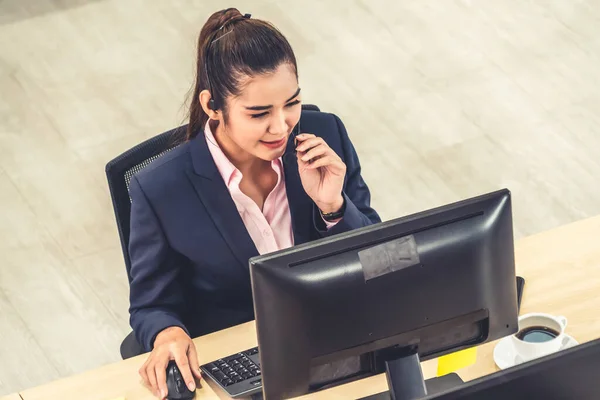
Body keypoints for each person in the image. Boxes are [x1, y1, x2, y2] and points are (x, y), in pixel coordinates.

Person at [127, 8, 381, 399]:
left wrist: (334, 207)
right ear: (213, 106)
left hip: (337, 348)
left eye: (291, 103)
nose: (281, 126)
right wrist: (168, 334)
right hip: (242, 372)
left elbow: (379, 261)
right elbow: (151, 306)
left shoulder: (325, 136)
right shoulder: (160, 188)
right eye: (259, 113)